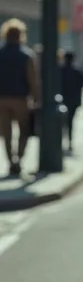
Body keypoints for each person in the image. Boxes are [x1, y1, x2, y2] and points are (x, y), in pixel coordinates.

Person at [0, 19, 39, 175]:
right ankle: (19, 158)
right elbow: (32, 79)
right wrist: (36, 97)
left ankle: (10, 161)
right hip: (20, 98)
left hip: (1, 98)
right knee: (24, 130)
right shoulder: (26, 55)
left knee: (6, 132)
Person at [60, 51, 83, 152]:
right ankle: (69, 141)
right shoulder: (77, 72)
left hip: (62, 100)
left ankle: (62, 141)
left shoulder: (59, 71)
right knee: (70, 122)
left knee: (62, 123)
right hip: (73, 101)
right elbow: (81, 86)